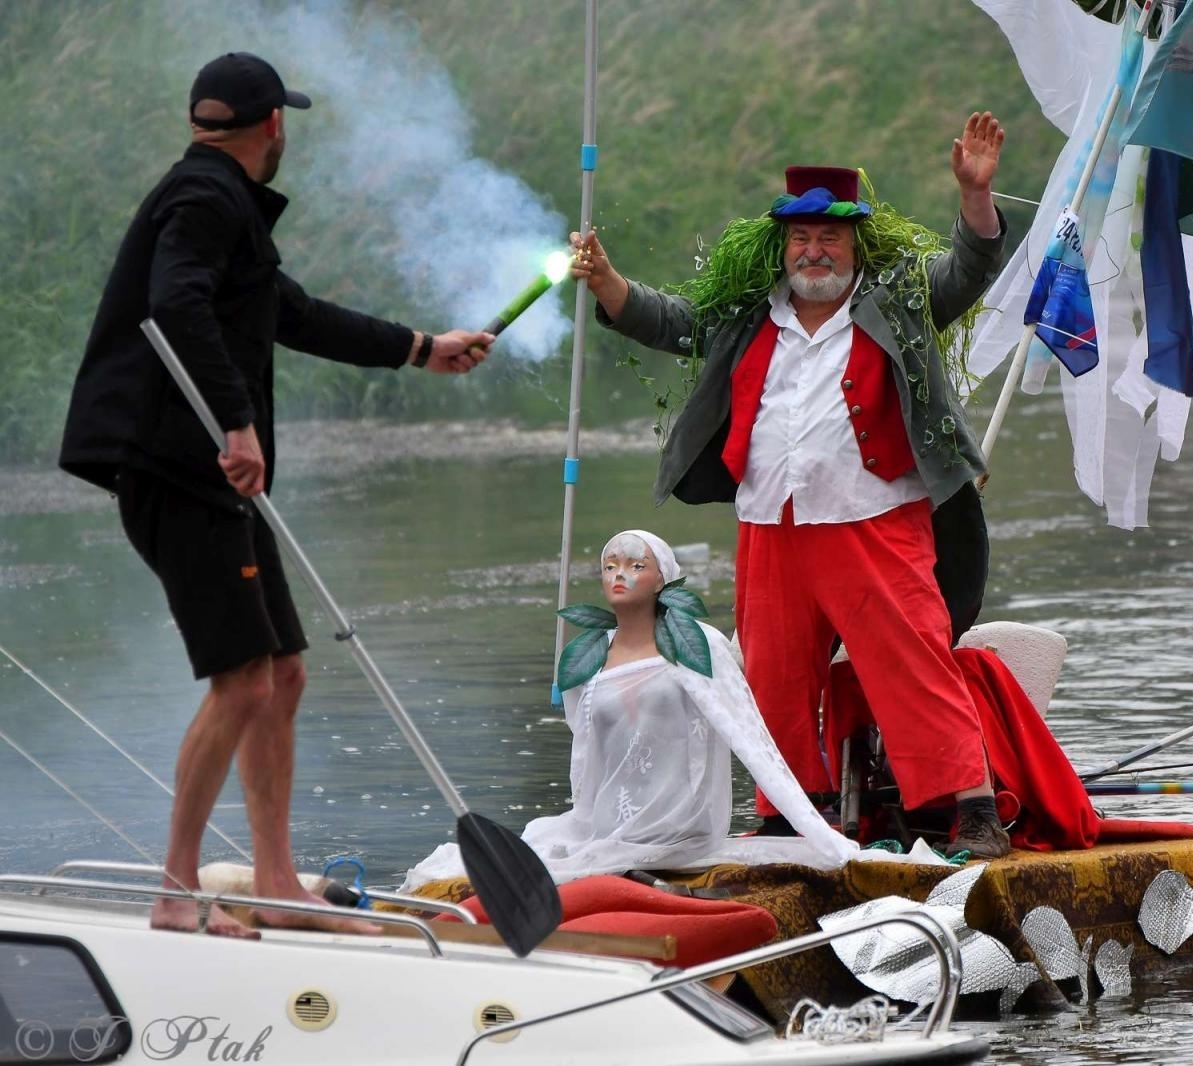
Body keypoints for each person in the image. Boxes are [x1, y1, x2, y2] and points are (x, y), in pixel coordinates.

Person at [58, 52, 495, 938]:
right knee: (242, 681)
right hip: (181, 473)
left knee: (281, 674)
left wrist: (419, 346)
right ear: (274, 127)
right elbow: (172, 301)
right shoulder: (203, 200)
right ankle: (177, 891)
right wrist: (236, 424)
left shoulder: (223, 209)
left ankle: (274, 881)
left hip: (210, 478)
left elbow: (288, 314)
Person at [570, 113, 1013, 858]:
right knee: (771, 677)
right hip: (771, 525)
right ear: (785, 247)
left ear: (853, 245)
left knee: (914, 663)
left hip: (874, 520)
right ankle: (788, 814)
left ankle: (969, 809)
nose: (815, 251)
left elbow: (966, 271)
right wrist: (610, 282)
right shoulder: (749, 315)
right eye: (802, 238)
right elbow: (671, 321)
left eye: (830, 238)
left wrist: (975, 195)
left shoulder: (897, 303)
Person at [401, 530, 854, 891]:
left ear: (663, 579)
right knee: (508, 861)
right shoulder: (589, 658)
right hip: (609, 826)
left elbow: (750, 740)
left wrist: (806, 823)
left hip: (680, 828)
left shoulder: (698, 646)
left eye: (637, 565)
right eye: (610, 565)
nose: (621, 574)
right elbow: (585, 756)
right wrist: (588, 824)